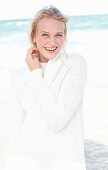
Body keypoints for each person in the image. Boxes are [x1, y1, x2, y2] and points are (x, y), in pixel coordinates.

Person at [4, 5, 87, 170]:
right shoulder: (19, 76)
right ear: (34, 36)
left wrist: (35, 73)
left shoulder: (74, 64)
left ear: (65, 36)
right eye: (45, 35)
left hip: (65, 164)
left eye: (58, 35)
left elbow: (58, 120)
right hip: (22, 162)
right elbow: (12, 129)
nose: (52, 42)